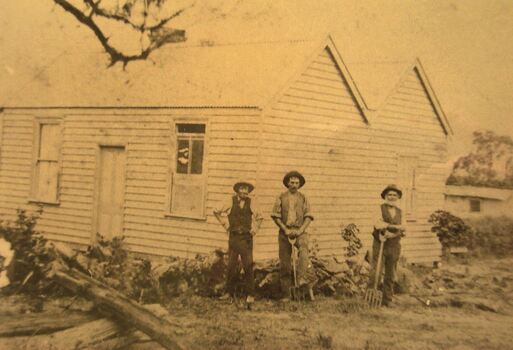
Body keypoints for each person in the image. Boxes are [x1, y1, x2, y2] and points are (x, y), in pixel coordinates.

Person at [213, 181, 263, 304]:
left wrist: (254, 230)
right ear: (237, 190)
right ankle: (228, 292)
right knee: (231, 265)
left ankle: (250, 294)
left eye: (246, 190)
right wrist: (225, 225)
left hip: (246, 239)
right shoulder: (229, 201)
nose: (245, 192)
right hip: (234, 238)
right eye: (242, 189)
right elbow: (216, 211)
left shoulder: (252, 203)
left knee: (248, 265)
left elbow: (260, 217)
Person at [271, 170, 315, 301]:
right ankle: (286, 294)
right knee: (285, 263)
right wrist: (285, 229)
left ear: (300, 184)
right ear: (287, 183)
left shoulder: (304, 198)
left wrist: (301, 230)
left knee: (304, 249)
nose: (294, 185)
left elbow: (308, 216)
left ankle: (302, 279)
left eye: (297, 183)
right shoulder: (281, 197)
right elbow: (276, 216)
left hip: (299, 231)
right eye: (292, 182)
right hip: (285, 232)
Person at [371, 184, 406, 307]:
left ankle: (387, 299)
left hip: (394, 245)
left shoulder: (401, 212)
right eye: (389, 194)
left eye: (394, 195)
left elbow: (403, 228)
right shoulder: (379, 208)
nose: (392, 197)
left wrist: (391, 229)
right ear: (385, 196)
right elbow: (378, 224)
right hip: (380, 243)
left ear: (398, 197)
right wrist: (395, 228)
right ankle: (372, 297)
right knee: (377, 271)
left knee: (391, 273)